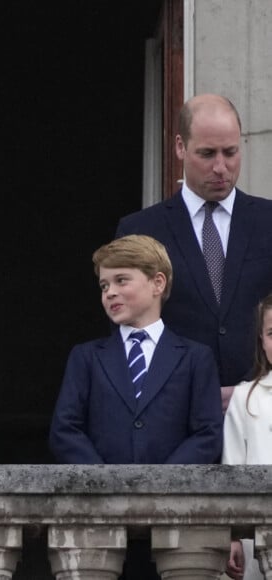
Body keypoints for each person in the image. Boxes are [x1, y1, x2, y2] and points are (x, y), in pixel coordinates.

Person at [49, 234, 223, 580]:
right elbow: (65, 429)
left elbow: (207, 433)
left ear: (157, 282)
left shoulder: (195, 357)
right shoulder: (86, 357)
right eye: (103, 285)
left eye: (121, 280)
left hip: (173, 519)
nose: (109, 292)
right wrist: (105, 482)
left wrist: (161, 482)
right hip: (101, 519)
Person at [116, 93, 272, 414]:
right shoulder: (140, 231)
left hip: (263, 417)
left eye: (230, 153)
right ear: (180, 147)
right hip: (175, 419)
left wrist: (251, 394)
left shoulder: (268, 221)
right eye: (207, 153)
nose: (220, 167)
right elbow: (128, 337)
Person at [221, 293, 272, 580]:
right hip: (258, 539)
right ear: (262, 343)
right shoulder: (245, 398)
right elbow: (232, 470)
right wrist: (233, 534)